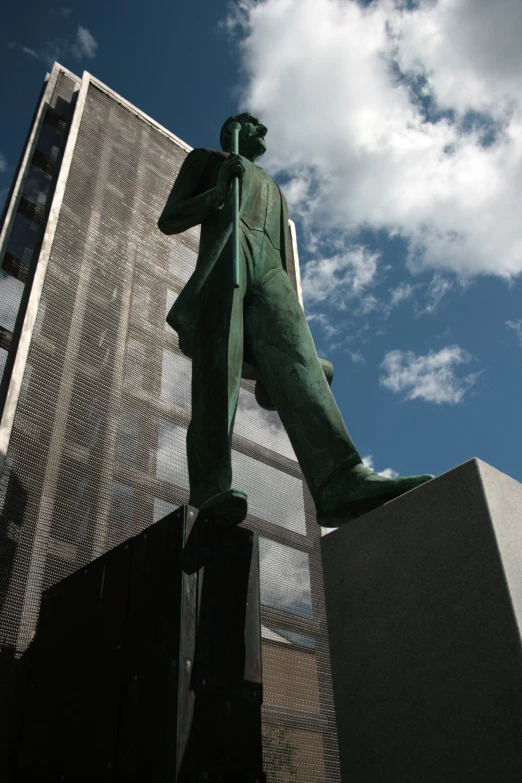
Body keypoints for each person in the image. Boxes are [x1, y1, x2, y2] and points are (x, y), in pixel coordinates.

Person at [158, 113, 433, 526]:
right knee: (218, 377)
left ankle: (339, 478)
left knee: (302, 366)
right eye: (253, 124)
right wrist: (216, 192)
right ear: (233, 129)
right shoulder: (207, 160)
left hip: (272, 274)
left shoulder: (274, 188)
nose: (263, 130)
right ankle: (211, 485)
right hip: (227, 261)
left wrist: (288, 345)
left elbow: (282, 260)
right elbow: (170, 218)